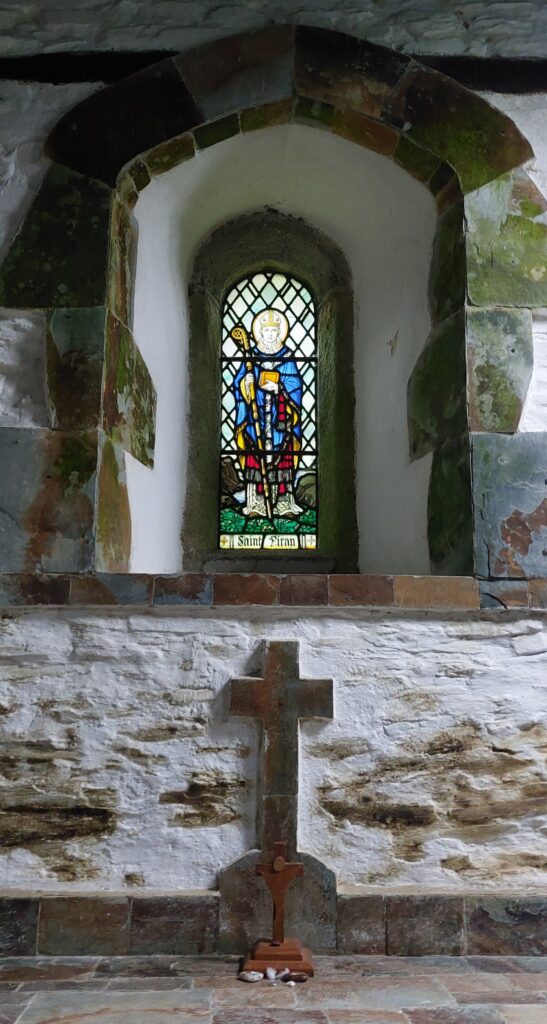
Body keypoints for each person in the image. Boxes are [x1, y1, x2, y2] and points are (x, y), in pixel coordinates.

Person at [234, 308, 303, 518]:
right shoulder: (251, 355)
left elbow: (296, 384)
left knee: (283, 458)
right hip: (257, 420)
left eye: (275, 330)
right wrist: (246, 386)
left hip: (280, 420)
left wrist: (280, 386)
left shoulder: (287, 357)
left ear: (279, 332)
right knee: (256, 456)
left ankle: (284, 503)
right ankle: (256, 503)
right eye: (267, 331)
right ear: (261, 333)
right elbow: (239, 383)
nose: (271, 334)